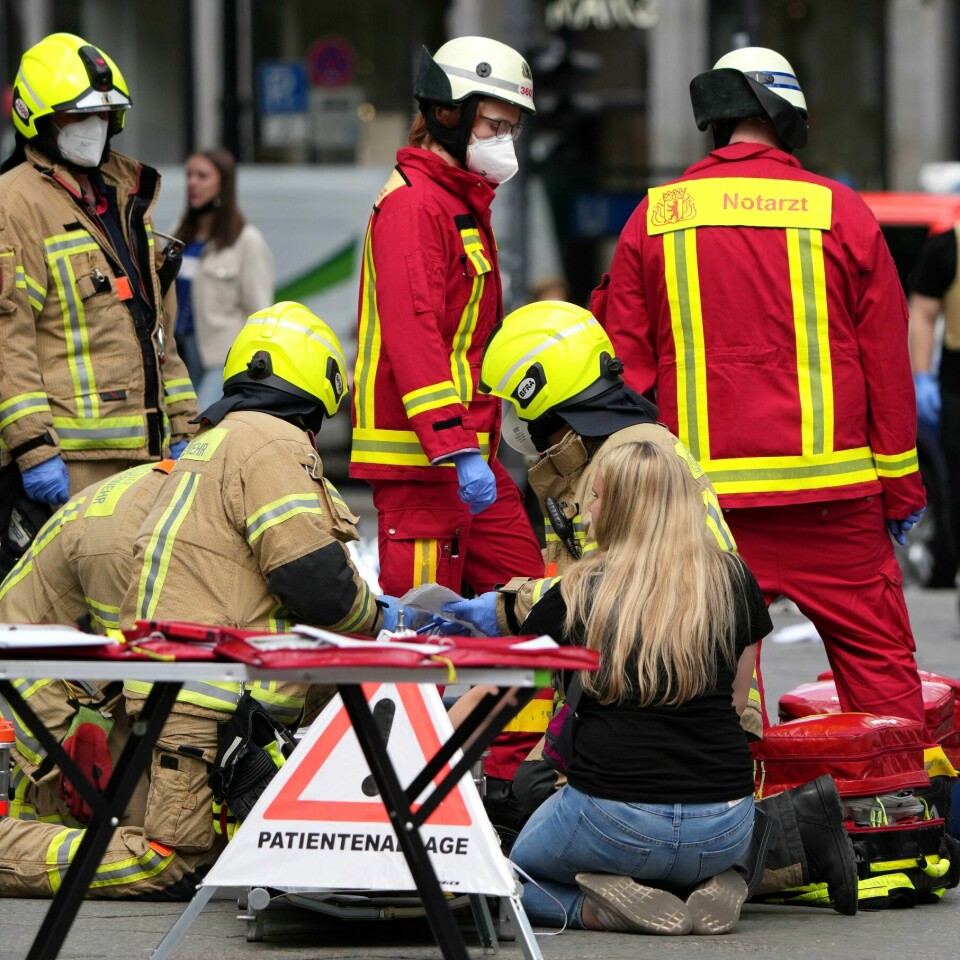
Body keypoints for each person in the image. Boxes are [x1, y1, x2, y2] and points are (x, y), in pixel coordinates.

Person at [446, 300, 859, 915]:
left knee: (516, 860)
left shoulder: (619, 465)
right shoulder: (627, 459)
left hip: (653, 698)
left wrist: (495, 614)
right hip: (688, 720)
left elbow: (582, 604)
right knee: (588, 799)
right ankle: (731, 870)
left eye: (519, 410)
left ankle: (772, 846)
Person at [593, 46, 927, 732]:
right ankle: (900, 815)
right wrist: (901, 490)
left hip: (706, 511)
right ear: (787, 114)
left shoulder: (654, 217)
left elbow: (624, 372)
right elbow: (887, 366)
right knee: (883, 685)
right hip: (836, 507)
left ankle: (730, 822)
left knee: (707, 686)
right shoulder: (840, 210)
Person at [509, 439, 769, 934]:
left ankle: (593, 910)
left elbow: (507, 687)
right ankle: (714, 881)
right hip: (727, 825)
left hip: (614, 820)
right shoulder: (733, 579)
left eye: (598, 497)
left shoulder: (581, 589)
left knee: (507, 880)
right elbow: (739, 701)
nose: (586, 512)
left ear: (626, 508)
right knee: (685, 848)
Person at [349, 36, 544, 599]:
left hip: (466, 457)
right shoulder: (415, 205)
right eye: (494, 126)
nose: (505, 141)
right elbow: (415, 336)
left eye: (512, 129)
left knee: (527, 608)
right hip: (424, 464)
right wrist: (454, 447)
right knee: (425, 640)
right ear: (448, 114)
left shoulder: (456, 202)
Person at [0, 460, 222, 899]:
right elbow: (137, 669)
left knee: (114, 812)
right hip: (37, 675)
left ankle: (40, 826)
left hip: (72, 674)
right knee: (144, 837)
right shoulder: (123, 545)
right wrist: (94, 726)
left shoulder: (181, 500)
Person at [0, 33, 197, 507]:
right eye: (77, 115)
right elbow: (8, 340)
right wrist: (33, 449)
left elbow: (158, 332)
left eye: (102, 115)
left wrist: (186, 426)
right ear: (38, 120)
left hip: (148, 459)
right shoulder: (15, 204)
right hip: (70, 467)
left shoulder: (125, 201)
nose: (93, 126)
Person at [170, 148, 274, 411]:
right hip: (177, 356)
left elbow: (260, 313)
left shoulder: (246, 241)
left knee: (201, 421)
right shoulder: (177, 235)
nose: (192, 182)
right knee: (177, 426)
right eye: (189, 175)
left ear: (223, 184)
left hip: (222, 357)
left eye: (202, 176)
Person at [907, 226, 960, 584]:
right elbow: (923, 314)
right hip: (957, 383)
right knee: (956, 491)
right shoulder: (948, 246)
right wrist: (922, 375)